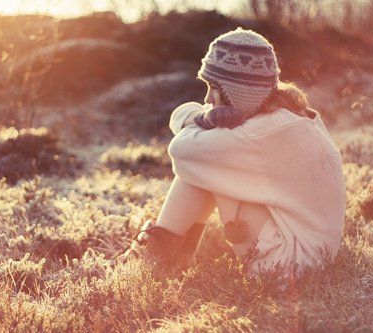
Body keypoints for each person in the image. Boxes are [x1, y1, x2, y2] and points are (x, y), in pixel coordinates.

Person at [120, 28, 346, 274]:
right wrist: (200, 117)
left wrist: (205, 123)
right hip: (315, 255)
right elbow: (182, 118)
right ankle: (175, 254)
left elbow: (181, 150)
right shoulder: (291, 116)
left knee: (206, 158)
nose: (207, 98)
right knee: (209, 156)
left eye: (214, 88)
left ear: (239, 92)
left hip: (288, 264)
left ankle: (157, 256)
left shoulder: (258, 133)